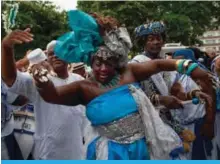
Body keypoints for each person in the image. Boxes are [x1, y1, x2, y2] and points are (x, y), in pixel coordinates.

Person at [2, 10, 215, 160]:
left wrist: (187, 66)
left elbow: (159, 64)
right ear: (89, 60)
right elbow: (51, 95)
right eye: (97, 62)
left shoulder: (130, 72)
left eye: (109, 62)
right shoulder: (82, 88)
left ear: (118, 61)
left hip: (143, 150)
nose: (103, 68)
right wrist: (42, 79)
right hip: (107, 154)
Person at [1, 36, 88, 159]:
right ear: (47, 59)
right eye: (51, 54)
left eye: (59, 52)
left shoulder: (79, 80)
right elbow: (10, 78)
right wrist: (6, 48)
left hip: (77, 152)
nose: (55, 56)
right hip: (48, 153)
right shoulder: (38, 82)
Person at [172, 49, 216, 159]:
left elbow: (210, 99)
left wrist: (209, 123)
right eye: (177, 61)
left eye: (183, 59)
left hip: (198, 124)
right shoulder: (173, 76)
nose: (181, 64)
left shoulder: (200, 75)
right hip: (180, 127)